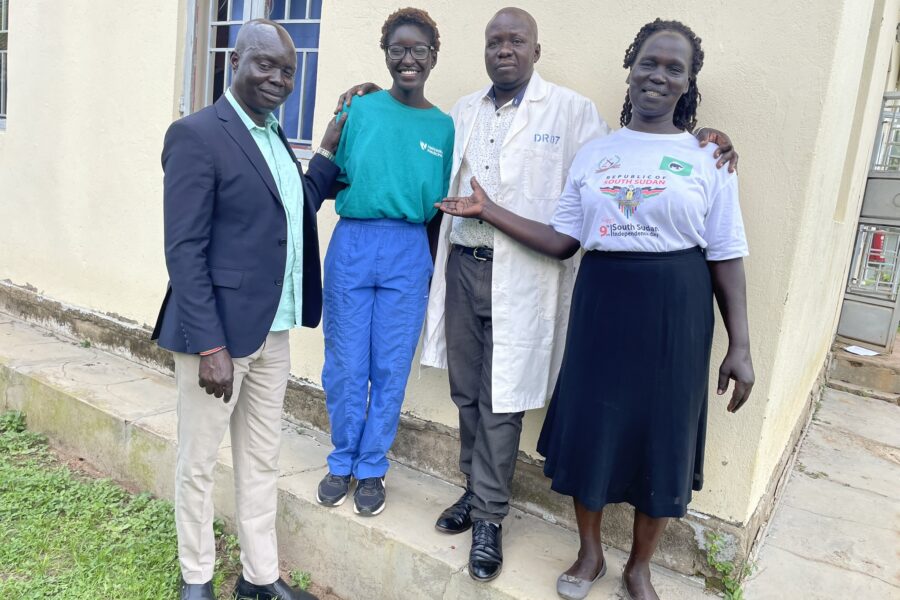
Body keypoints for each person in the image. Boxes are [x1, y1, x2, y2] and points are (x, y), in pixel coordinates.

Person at [337, 6, 737, 583]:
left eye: (516, 40)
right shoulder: (462, 111)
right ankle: (474, 494)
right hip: (463, 267)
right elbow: (413, 139)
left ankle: (491, 517)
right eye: (494, 41)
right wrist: (370, 93)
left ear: (536, 50)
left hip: (521, 274)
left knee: (503, 400)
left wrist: (706, 137)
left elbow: (635, 153)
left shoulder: (573, 113)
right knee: (467, 393)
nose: (504, 49)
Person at [436, 18, 754, 600]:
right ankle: (589, 556)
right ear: (630, 68)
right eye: (648, 63)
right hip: (603, 298)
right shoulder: (596, 153)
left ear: (688, 82)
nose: (658, 76)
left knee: (663, 435)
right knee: (594, 427)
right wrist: (488, 211)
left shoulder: (708, 157)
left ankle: (639, 567)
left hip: (675, 309)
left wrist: (741, 344)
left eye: (673, 68)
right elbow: (563, 240)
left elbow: (727, 252)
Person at [151, 19, 346, 600]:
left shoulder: (273, 136)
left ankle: (259, 579)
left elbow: (292, 209)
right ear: (235, 60)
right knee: (200, 462)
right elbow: (184, 249)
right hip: (218, 339)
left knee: (262, 460)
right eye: (266, 65)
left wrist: (328, 153)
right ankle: (197, 577)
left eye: (288, 71)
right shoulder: (196, 134)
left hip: (276, 330)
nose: (279, 79)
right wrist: (211, 346)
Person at [314, 8, 454, 518]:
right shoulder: (359, 109)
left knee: (390, 367)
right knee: (346, 365)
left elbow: (439, 211)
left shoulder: (443, 127)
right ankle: (341, 459)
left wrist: (435, 271)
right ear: (385, 54)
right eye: (398, 49)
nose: (408, 59)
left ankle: (372, 467)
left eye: (419, 50)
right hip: (353, 242)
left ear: (434, 58)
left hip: (408, 249)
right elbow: (328, 175)